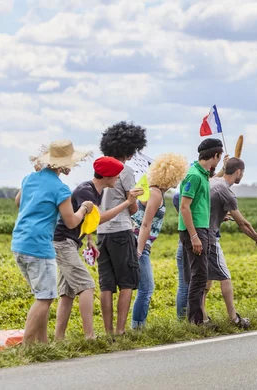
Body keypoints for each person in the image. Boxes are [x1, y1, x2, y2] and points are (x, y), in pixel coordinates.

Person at [11, 140, 94, 345]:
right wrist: (84, 208)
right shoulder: (60, 189)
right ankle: (27, 347)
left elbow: (18, 202)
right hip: (39, 247)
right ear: (64, 165)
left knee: (41, 296)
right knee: (45, 298)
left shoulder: (29, 178)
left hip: (19, 243)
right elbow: (71, 221)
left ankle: (43, 344)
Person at [52, 156, 143, 341]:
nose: (118, 178)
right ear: (108, 176)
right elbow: (99, 218)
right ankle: (89, 337)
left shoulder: (94, 190)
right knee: (87, 285)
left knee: (67, 292)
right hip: (63, 242)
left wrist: (89, 239)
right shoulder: (88, 192)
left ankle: (58, 339)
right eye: (116, 175)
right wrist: (127, 202)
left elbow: (89, 219)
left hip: (67, 242)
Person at [203, 157, 257, 329]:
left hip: (197, 234)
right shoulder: (227, 192)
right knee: (225, 276)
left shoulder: (213, 181)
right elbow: (243, 224)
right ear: (238, 172)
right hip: (209, 237)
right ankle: (234, 319)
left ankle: (201, 317)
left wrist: (219, 215)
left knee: (205, 278)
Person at [96, 121, 147, 335]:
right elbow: (133, 207)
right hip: (121, 229)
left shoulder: (100, 168)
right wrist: (133, 202)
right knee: (127, 282)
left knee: (106, 285)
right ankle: (120, 330)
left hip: (101, 232)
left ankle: (108, 332)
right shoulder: (124, 170)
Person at [130, 153, 189, 329]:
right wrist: (140, 250)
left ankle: (137, 326)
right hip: (140, 243)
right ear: (170, 175)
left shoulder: (151, 189)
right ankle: (138, 328)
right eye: (177, 176)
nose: (178, 181)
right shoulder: (156, 194)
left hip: (138, 242)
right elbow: (146, 224)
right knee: (147, 288)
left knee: (144, 288)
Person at [178, 138, 223, 325]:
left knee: (200, 276)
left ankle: (196, 319)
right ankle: (195, 321)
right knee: (199, 276)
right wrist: (194, 236)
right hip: (195, 231)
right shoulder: (194, 175)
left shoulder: (202, 174)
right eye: (219, 158)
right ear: (215, 155)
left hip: (201, 228)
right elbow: (184, 207)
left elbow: (197, 204)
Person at [172, 191, 189, 320]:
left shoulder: (178, 197)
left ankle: (184, 319)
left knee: (185, 285)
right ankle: (182, 320)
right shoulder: (180, 197)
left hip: (182, 243)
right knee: (185, 286)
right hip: (186, 244)